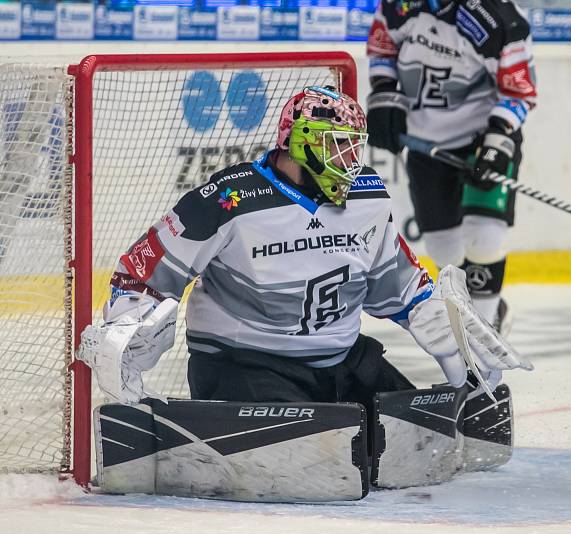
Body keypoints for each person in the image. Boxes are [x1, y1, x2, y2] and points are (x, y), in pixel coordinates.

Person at [78, 84, 529, 425]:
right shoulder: (231, 198)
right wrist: (129, 325)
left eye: (355, 144)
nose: (350, 158)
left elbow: (398, 283)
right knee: (324, 445)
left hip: (341, 361)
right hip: (246, 364)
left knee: (426, 428)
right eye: (338, 143)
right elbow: (144, 269)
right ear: (302, 141)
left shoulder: (367, 195)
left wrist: (443, 329)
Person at [365, 0, 537, 335]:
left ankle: (483, 335)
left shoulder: (499, 20)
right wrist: (384, 91)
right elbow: (381, 48)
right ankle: (481, 312)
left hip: (482, 140)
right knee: (443, 251)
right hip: (425, 145)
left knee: (485, 239)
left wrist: (497, 139)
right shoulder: (397, 6)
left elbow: (519, 93)